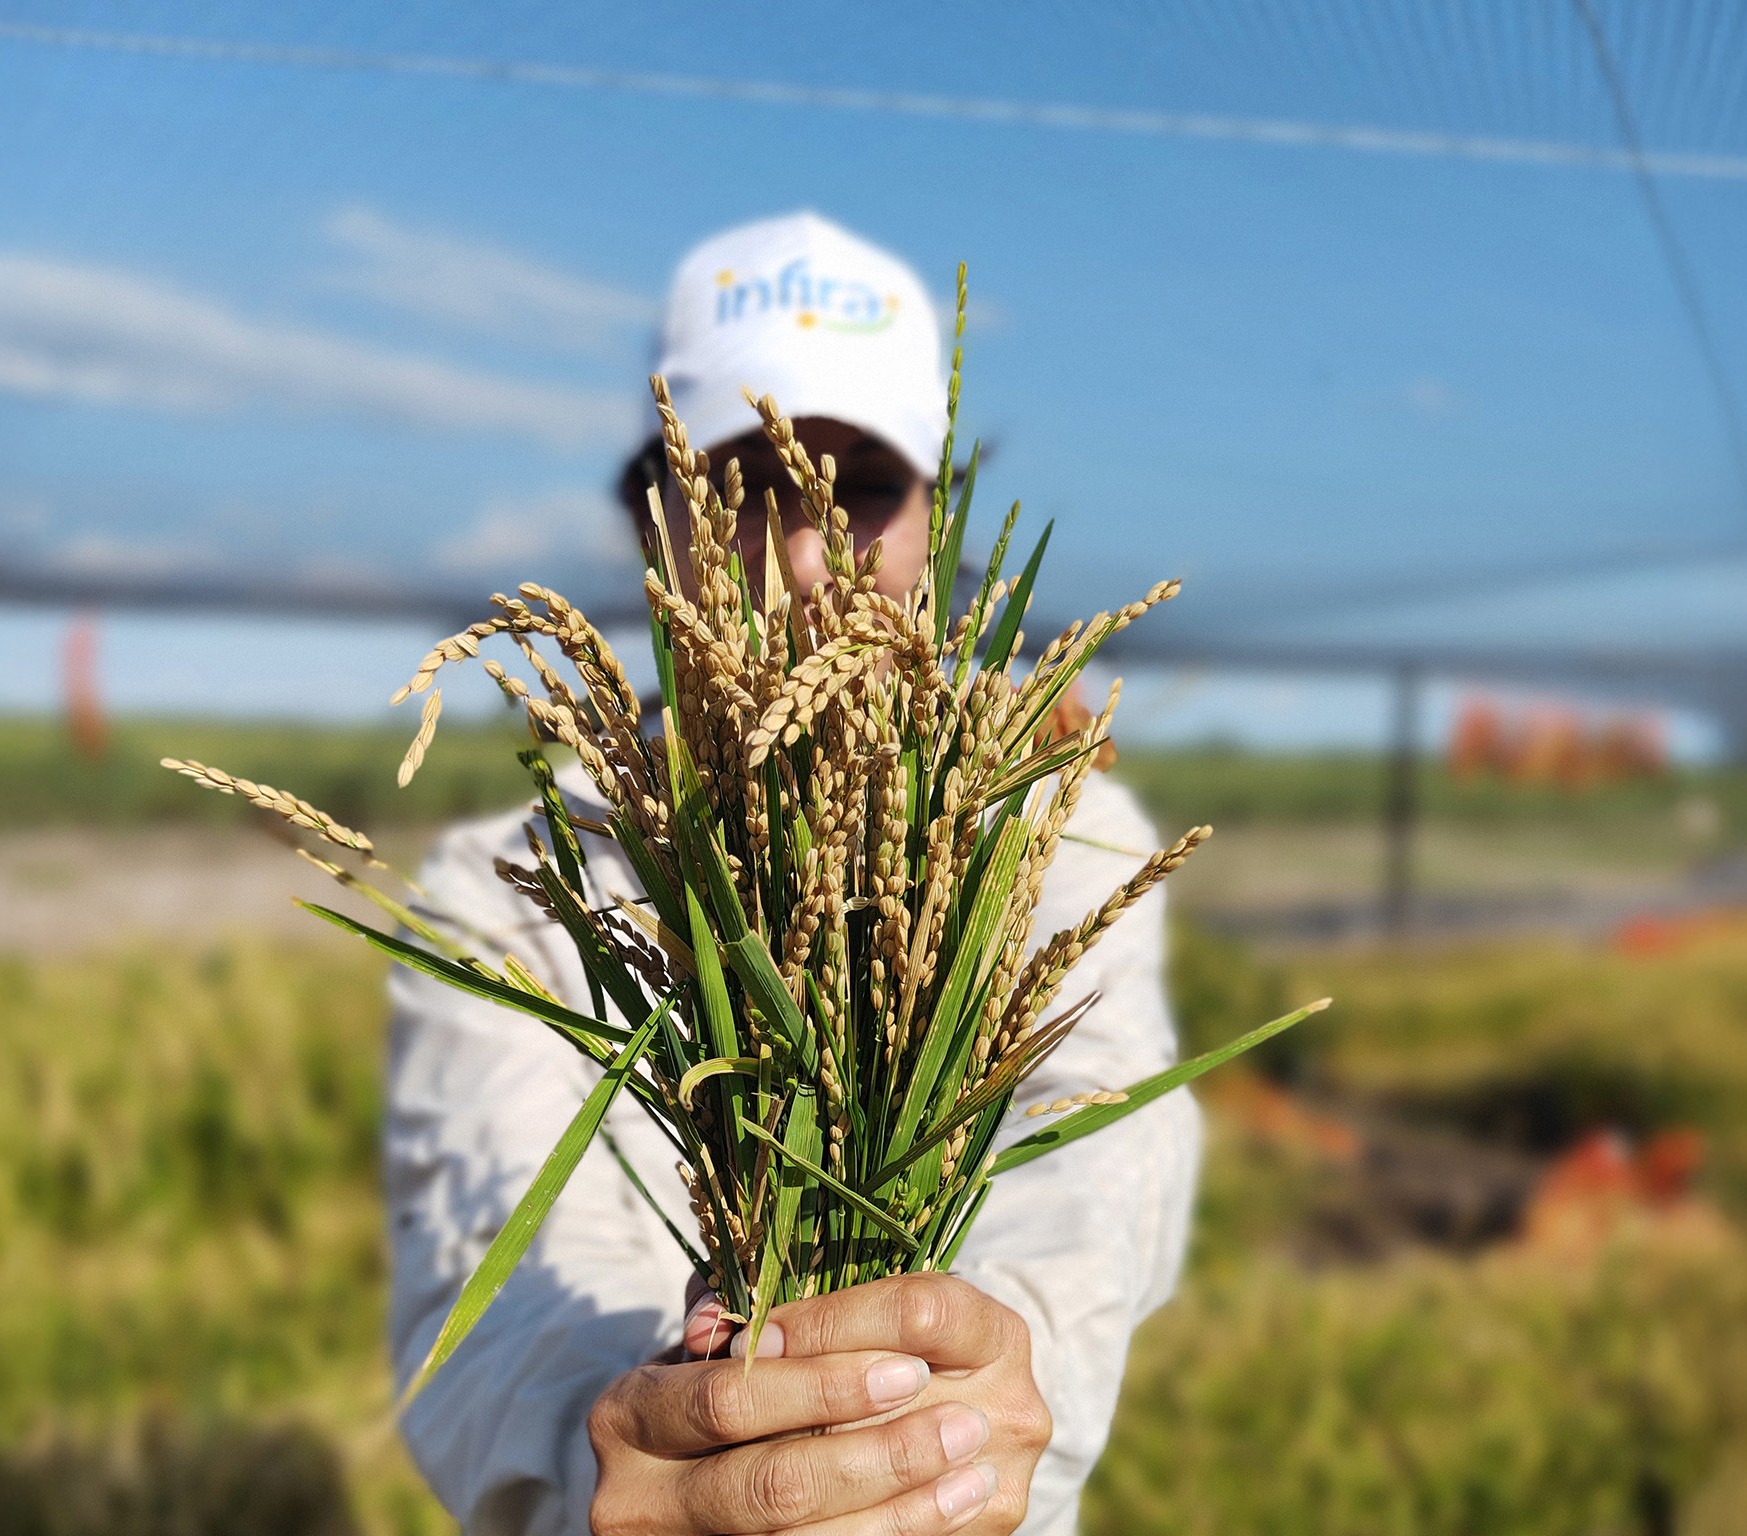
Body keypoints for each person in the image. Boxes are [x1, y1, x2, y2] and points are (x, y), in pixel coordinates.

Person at [385, 212, 1201, 1536]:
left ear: (939, 523)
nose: (811, 556)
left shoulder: (1048, 830)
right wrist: (633, 1460)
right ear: (661, 525)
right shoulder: (526, 877)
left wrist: (953, 1426)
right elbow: (490, 1284)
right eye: (749, 484)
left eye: (863, 487)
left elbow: (1093, 1185)